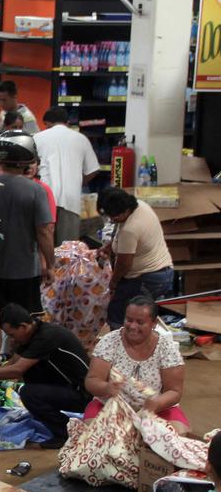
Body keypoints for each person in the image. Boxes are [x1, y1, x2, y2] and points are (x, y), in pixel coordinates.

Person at [0, 130, 55, 313]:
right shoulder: (35, 190)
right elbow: (44, 231)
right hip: (24, 271)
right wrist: (50, 265)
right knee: (25, 319)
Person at [0, 304, 91, 449]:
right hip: (66, 386)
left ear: (23, 326)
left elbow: (17, 370)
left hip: (84, 394)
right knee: (30, 377)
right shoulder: (28, 336)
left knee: (29, 394)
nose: (11, 340)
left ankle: (65, 433)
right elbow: (13, 363)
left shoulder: (46, 337)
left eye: (12, 335)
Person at [84, 296, 188, 433]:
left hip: (157, 410)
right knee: (94, 435)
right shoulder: (110, 341)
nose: (133, 326)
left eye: (140, 322)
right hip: (110, 405)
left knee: (178, 435)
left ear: (154, 323)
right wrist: (106, 388)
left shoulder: (166, 348)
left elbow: (174, 391)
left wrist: (157, 403)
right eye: (129, 320)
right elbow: (92, 380)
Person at [97, 188, 174, 330]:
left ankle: (121, 341)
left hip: (149, 277)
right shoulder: (140, 206)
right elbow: (122, 236)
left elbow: (124, 264)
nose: (112, 220)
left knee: (119, 311)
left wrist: (113, 283)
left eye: (115, 217)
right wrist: (110, 246)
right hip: (160, 271)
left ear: (126, 211)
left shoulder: (130, 229)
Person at [33, 108, 100, 245]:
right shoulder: (81, 139)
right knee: (67, 248)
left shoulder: (37, 137)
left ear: (47, 123)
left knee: (44, 244)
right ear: (67, 122)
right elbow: (93, 170)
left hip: (44, 197)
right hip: (71, 200)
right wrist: (78, 182)